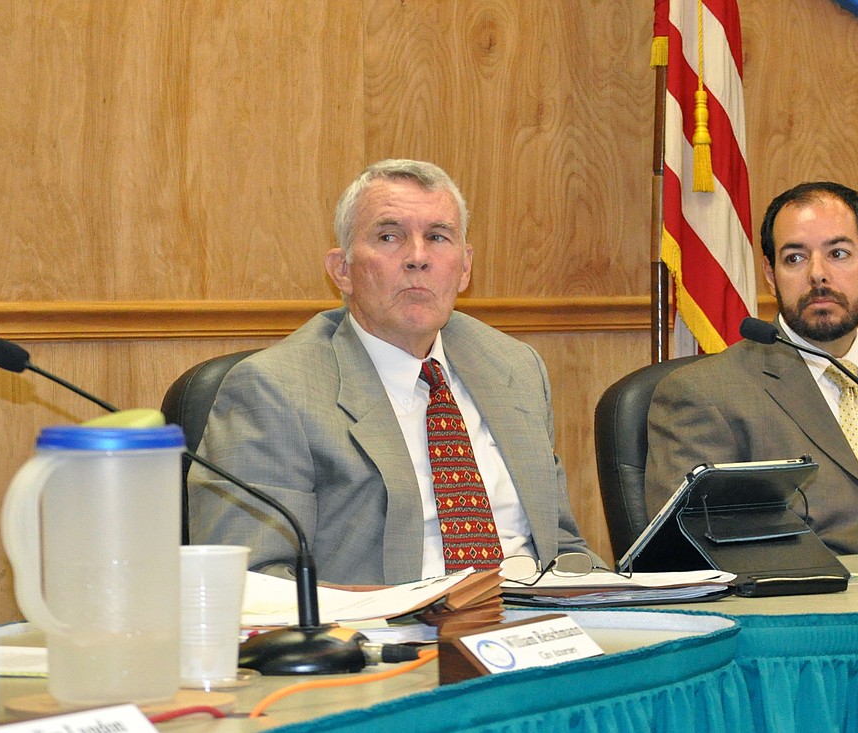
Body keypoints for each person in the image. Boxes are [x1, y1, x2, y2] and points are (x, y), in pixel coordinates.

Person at [188, 159, 595, 584]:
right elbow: (253, 581)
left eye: (437, 237)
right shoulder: (274, 390)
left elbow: (561, 547)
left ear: (465, 267)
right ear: (341, 270)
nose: (418, 258)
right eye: (389, 237)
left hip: (533, 625)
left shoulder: (515, 367)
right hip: (394, 637)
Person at [644, 181, 858, 555]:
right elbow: (695, 546)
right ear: (771, 275)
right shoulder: (706, 395)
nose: (818, 275)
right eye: (795, 258)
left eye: (838, 254)